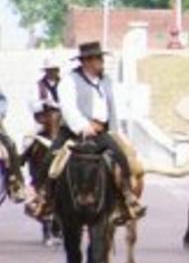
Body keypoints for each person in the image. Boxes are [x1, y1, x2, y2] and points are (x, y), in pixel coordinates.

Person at [26, 41, 146, 223]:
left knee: (121, 158)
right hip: (74, 131)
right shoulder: (69, 81)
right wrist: (83, 126)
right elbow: (68, 107)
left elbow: (111, 106)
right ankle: (42, 198)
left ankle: (127, 200)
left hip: (101, 131)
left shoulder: (106, 80)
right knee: (51, 158)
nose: (101, 62)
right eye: (98, 58)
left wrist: (114, 130)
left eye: (101, 58)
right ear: (86, 61)